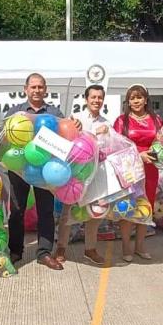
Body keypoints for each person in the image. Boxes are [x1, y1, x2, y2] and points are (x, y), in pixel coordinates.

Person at [6, 73, 69, 270]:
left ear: (45, 89)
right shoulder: (15, 112)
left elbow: (65, 138)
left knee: (46, 211)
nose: (36, 90)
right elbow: (4, 139)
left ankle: (44, 253)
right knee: (16, 210)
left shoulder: (54, 113)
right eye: (33, 87)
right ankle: (15, 251)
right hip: (19, 168)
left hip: (46, 169)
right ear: (25, 89)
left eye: (40, 87)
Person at [55, 85, 110, 265]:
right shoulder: (75, 119)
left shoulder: (106, 123)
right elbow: (68, 141)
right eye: (93, 97)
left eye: (99, 97)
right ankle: (61, 247)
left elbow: (108, 147)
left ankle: (90, 249)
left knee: (94, 214)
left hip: (96, 174)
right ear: (86, 99)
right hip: (75, 175)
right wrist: (94, 133)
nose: (96, 101)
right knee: (67, 213)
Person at [113, 84, 162, 262]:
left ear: (146, 99)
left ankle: (140, 246)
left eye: (139, 97)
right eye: (133, 98)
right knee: (129, 206)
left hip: (150, 169)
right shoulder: (121, 121)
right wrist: (137, 155)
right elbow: (116, 146)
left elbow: (161, 143)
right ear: (128, 101)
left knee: (145, 206)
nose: (136, 101)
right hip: (130, 169)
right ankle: (126, 246)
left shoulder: (156, 120)